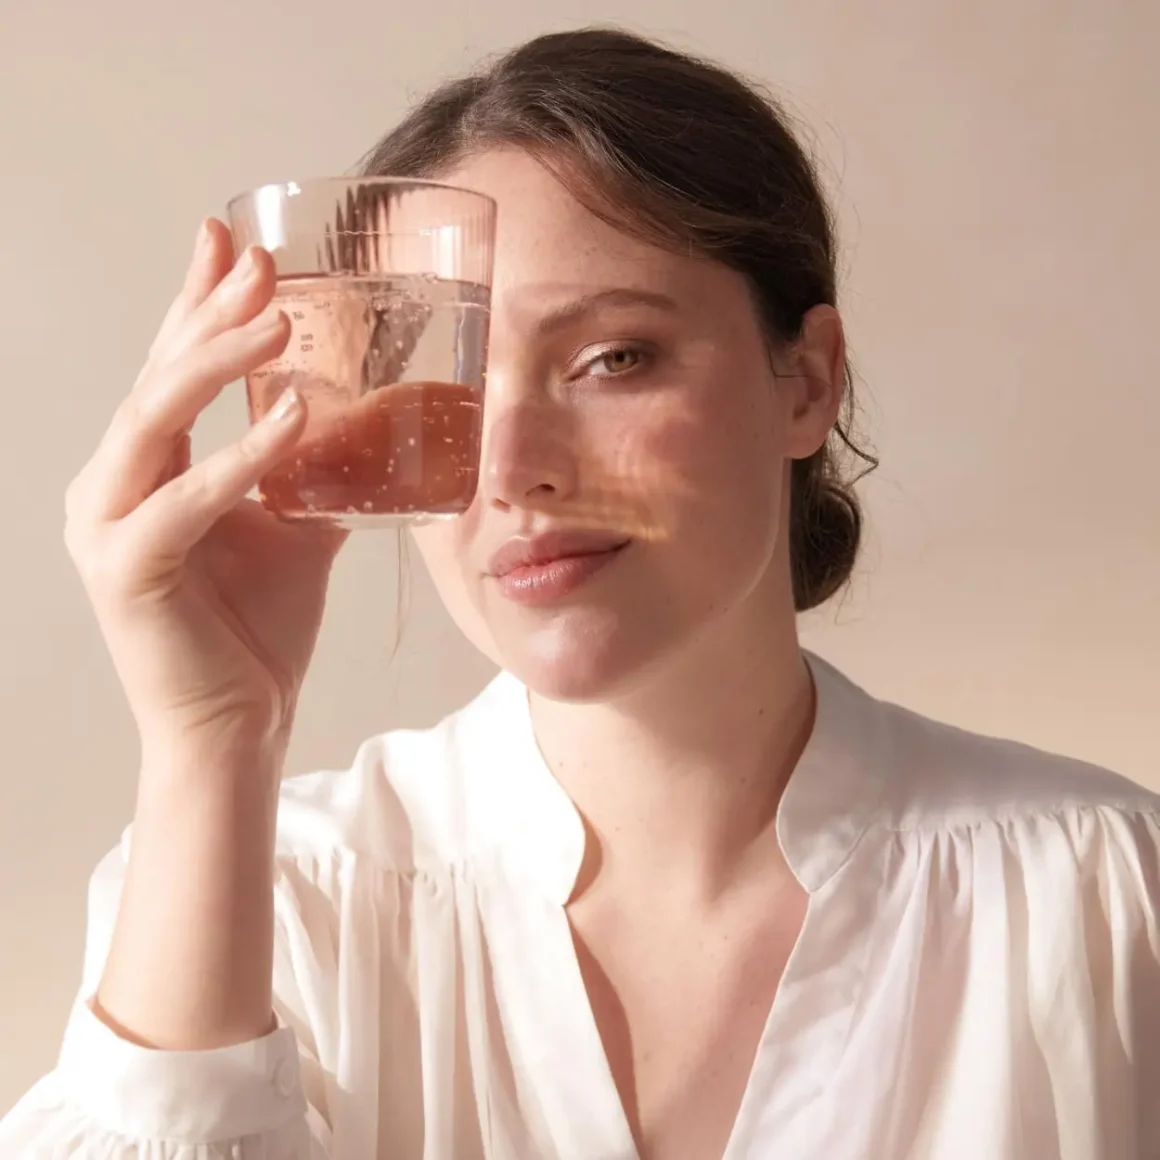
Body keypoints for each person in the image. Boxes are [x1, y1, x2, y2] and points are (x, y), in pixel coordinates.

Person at [1, 25, 1157, 1160]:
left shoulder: (1099, 893)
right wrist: (212, 739)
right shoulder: (275, 895)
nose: (508, 468)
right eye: (444, 378)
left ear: (804, 380)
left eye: (613, 357)